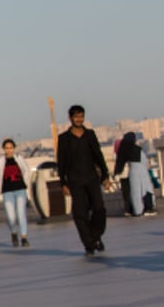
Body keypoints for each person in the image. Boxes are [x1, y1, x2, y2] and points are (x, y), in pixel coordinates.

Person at [56, 105, 110, 256]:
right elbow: (62, 162)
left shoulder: (90, 134)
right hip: (75, 181)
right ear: (70, 118)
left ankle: (96, 235)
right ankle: (89, 244)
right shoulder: (64, 139)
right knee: (80, 213)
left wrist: (105, 175)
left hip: (92, 178)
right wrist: (63, 183)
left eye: (81, 116)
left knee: (99, 208)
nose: (79, 119)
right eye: (76, 116)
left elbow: (98, 155)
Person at [0, 139, 32, 247]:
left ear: (14, 148)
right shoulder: (1, 161)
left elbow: (26, 170)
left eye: (11, 148)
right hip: (7, 191)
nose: (9, 150)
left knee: (21, 214)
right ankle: (14, 232)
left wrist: (25, 181)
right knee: (10, 216)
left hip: (20, 189)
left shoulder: (19, 158)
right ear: (4, 149)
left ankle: (24, 237)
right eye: (6, 148)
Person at [114, 132, 154, 217]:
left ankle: (137, 211)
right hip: (142, 172)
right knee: (146, 190)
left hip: (132, 172)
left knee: (135, 193)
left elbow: (119, 164)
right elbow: (145, 162)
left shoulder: (123, 149)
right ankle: (148, 209)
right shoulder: (137, 149)